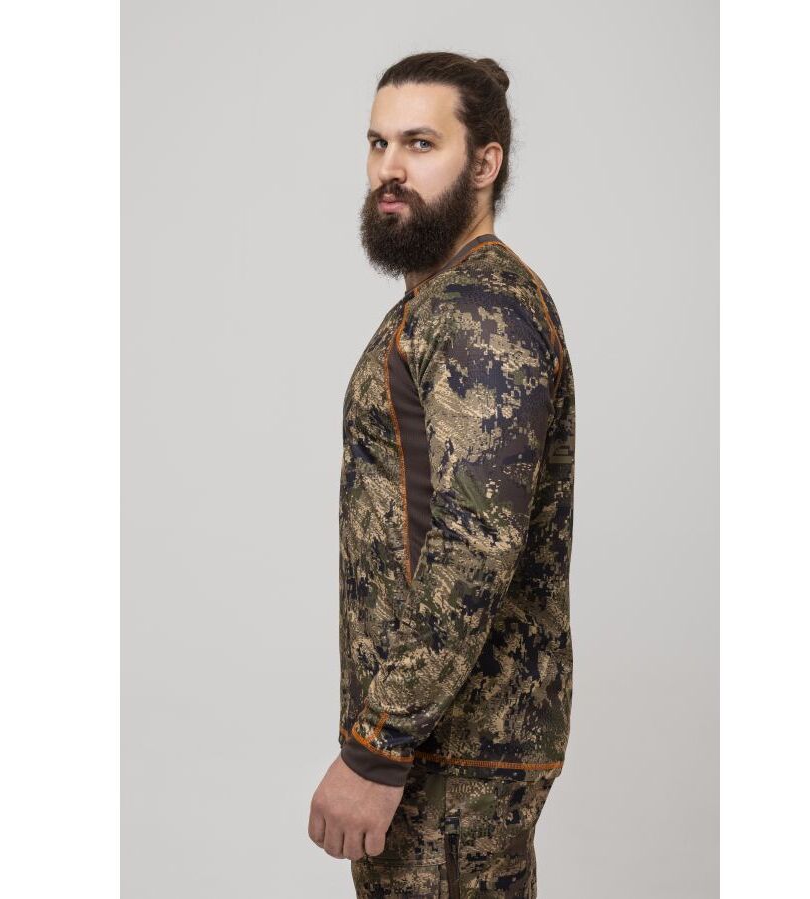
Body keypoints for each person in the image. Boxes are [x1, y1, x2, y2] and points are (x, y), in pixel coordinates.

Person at [308, 51, 576, 898]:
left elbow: (473, 543)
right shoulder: (438, 303)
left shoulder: (475, 310)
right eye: (378, 142)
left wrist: (377, 747)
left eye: (420, 144)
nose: (389, 167)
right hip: (444, 752)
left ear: (484, 163)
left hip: (450, 758)